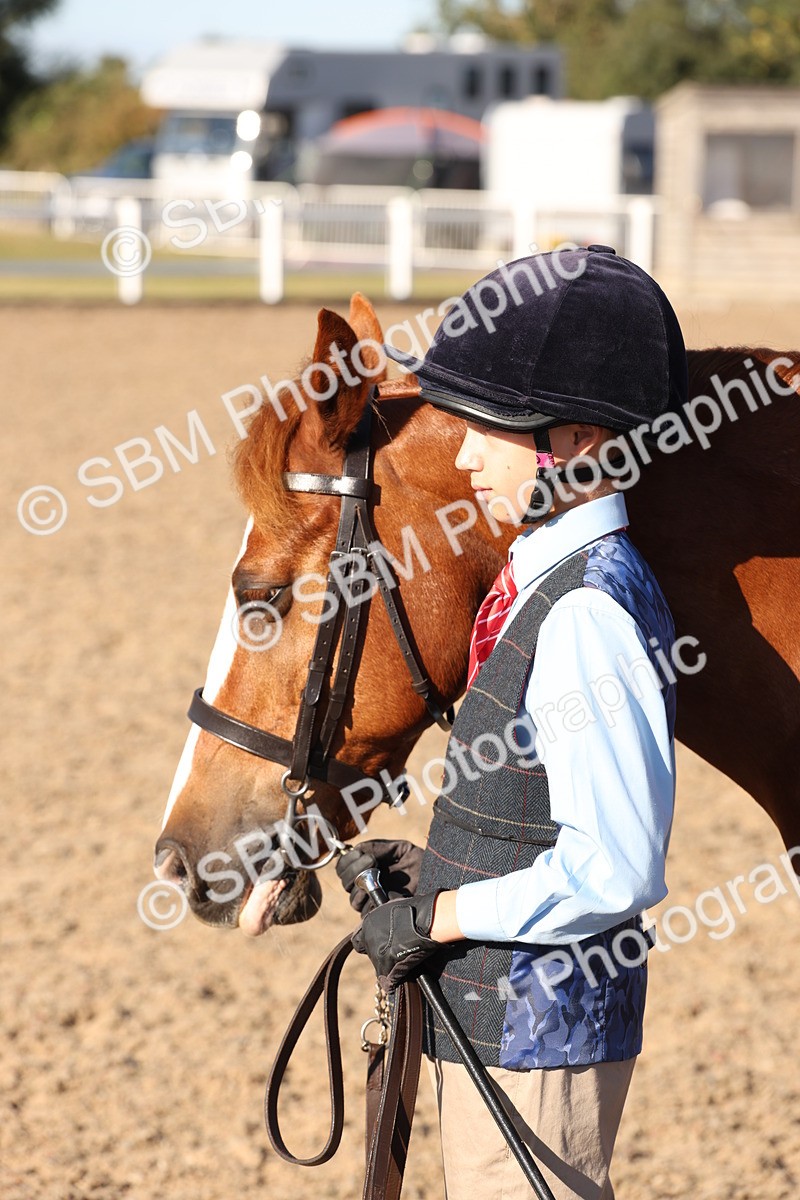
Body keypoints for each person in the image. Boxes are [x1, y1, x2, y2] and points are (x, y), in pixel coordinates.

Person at [337, 244, 687, 1200]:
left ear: (573, 441)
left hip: (541, 1046)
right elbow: (537, 805)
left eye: (485, 431)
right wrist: (438, 870)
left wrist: (442, 917)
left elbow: (613, 866)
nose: (460, 456)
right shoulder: (546, 585)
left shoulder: (583, 613)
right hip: (506, 1032)